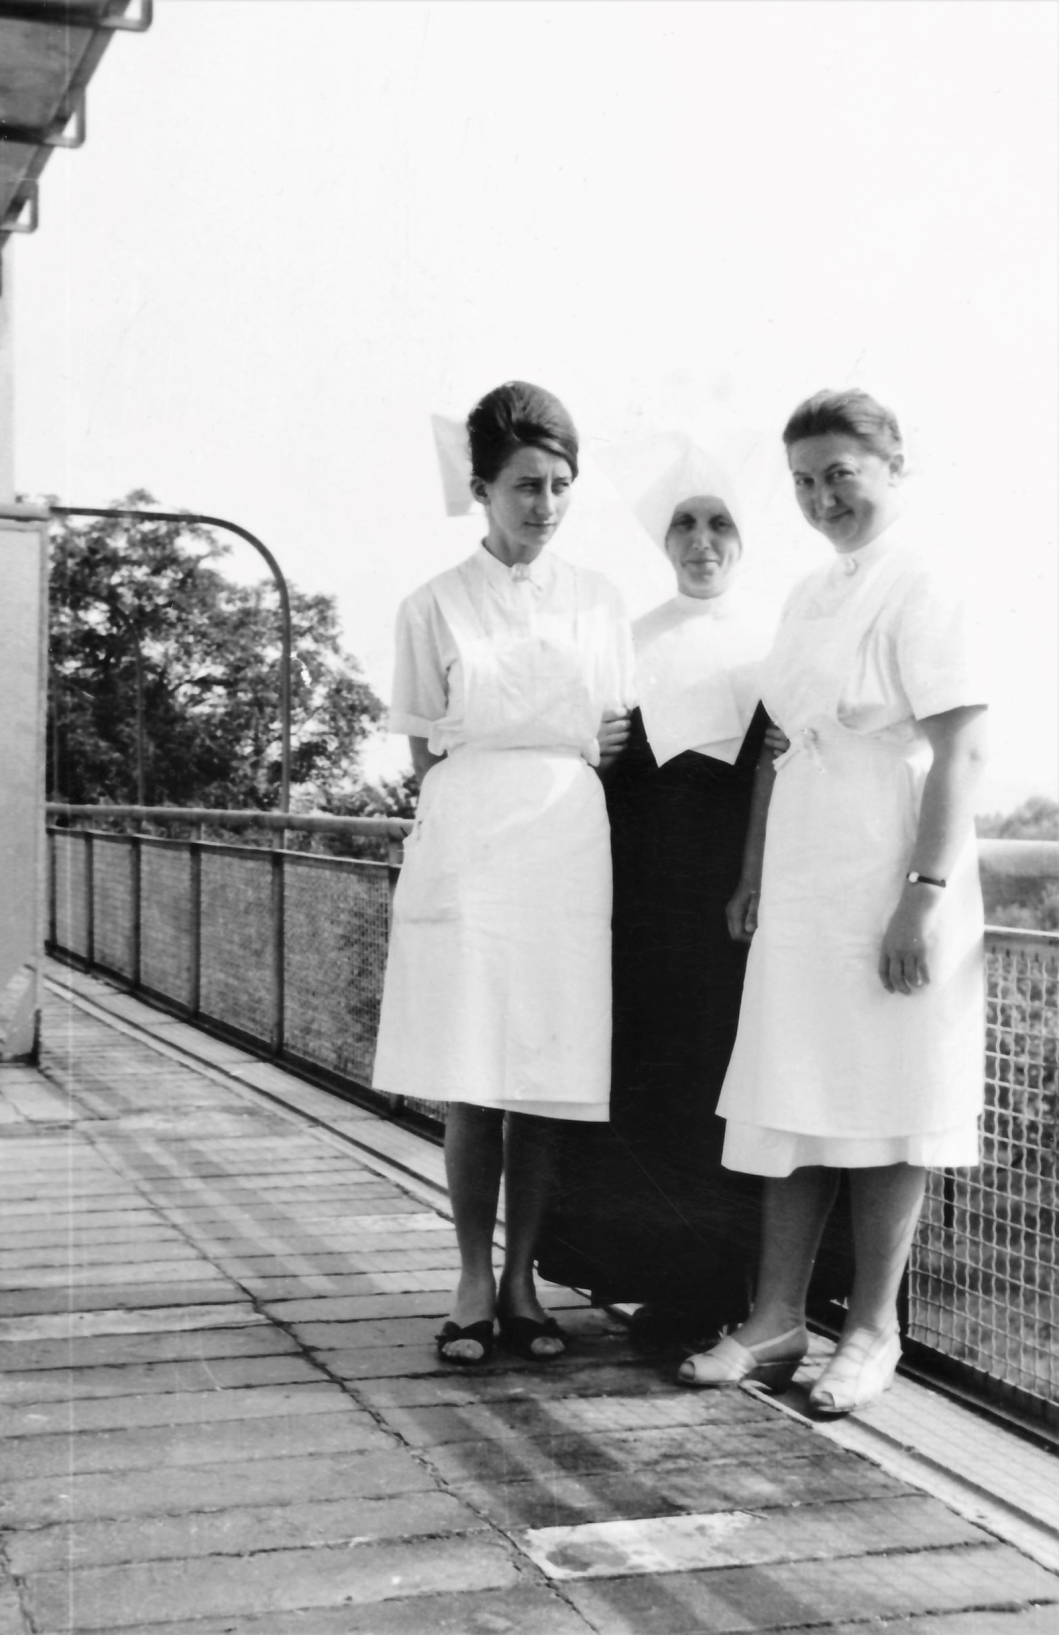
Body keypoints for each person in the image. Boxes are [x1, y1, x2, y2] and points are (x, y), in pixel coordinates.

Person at [681, 389, 987, 1413]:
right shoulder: (808, 595)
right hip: (806, 882)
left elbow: (959, 751)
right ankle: (774, 1320)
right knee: (795, 1097)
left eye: (838, 476)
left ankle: (868, 1330)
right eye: (804, 483)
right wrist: (754, 873)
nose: (820, 498)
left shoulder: (926, 583)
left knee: (886, 1106)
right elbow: (777, 745)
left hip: (888, 871)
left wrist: (921, 897)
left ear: (891, 464)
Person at [372, 381, 634, 1364]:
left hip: (565, 843)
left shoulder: (599, 602)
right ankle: (471, 1279)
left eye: (561, 485)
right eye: (525, 485)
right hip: (472, 840)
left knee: (543, 1072)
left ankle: (525, 1279)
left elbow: (608, 737)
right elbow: (423, 758)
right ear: (480, 488)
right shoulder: (430, 605)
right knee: (473, 1078)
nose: (545, 505)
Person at [536, 437, 777, 1343]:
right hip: (638, 905)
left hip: (735, 911)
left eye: (720, 523)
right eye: (685, 521)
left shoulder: (774, 646)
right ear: (662, 537)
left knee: (727, 1083)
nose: (702, 539)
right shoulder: (622, 641)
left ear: (744, 540)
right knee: (648, 1081)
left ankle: (740, 1289)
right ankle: (655, 1278)